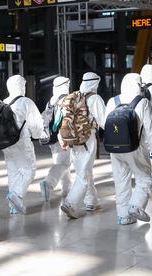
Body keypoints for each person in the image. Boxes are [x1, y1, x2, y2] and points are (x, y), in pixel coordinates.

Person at [105, 73, 152, 225]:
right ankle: (136, 206)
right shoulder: (142, 102)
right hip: (136, 147)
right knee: (144, 177)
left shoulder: (113, 101)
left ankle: (123, 216)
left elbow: (105, 124)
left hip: (115, 149)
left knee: (121, 180)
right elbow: (151, 128)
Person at [60, 72, 106, 219]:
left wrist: (64, 140)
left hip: (73, 140)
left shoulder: (74, 96)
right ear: (95, 83)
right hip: (88, 138)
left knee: (84, 170)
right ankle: (70, 203)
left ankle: (92, 201)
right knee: (84, 174)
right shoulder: (95, 98)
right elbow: (103, 120)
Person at [2, 75, 44, 214]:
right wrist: (38, 135)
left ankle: (14, 207)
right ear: (21, 86)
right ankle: (17, 196)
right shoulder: (26, 102)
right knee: (29, 170)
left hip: (7, 144)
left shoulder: (4, 102)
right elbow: (36, 123)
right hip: (21, 142)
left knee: (13, 173)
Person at [40, 76, 72, 201]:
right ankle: (48, 184)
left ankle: (66, 189)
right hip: (62, 137)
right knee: (63, 163)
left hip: (51, 137)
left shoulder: (51, 100)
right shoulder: (64, 99)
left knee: (63, 162)